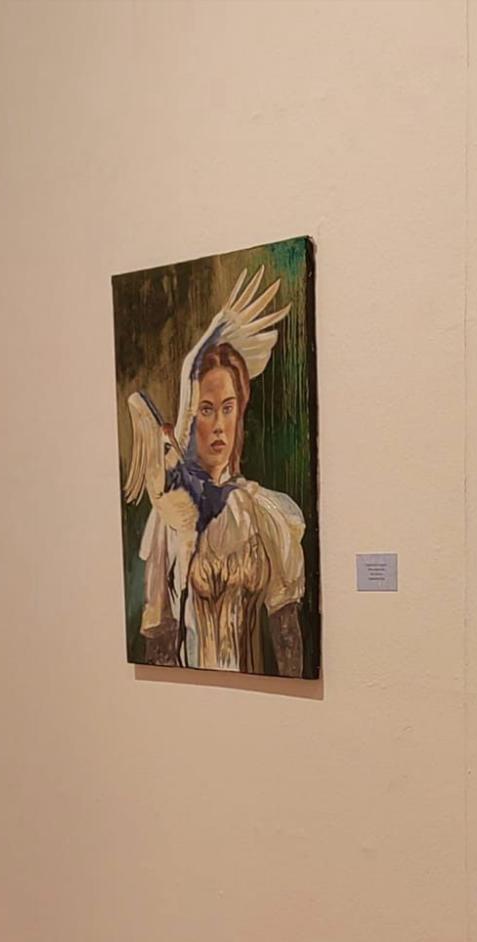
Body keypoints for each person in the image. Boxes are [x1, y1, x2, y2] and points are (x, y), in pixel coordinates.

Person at [131, 271, 308, 676]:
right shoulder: (168, 520)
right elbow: (160, 642)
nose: (218, 425)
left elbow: (287, 638)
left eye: (227, 408)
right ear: (191, 419)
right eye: (206, 410)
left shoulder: (265, 513)